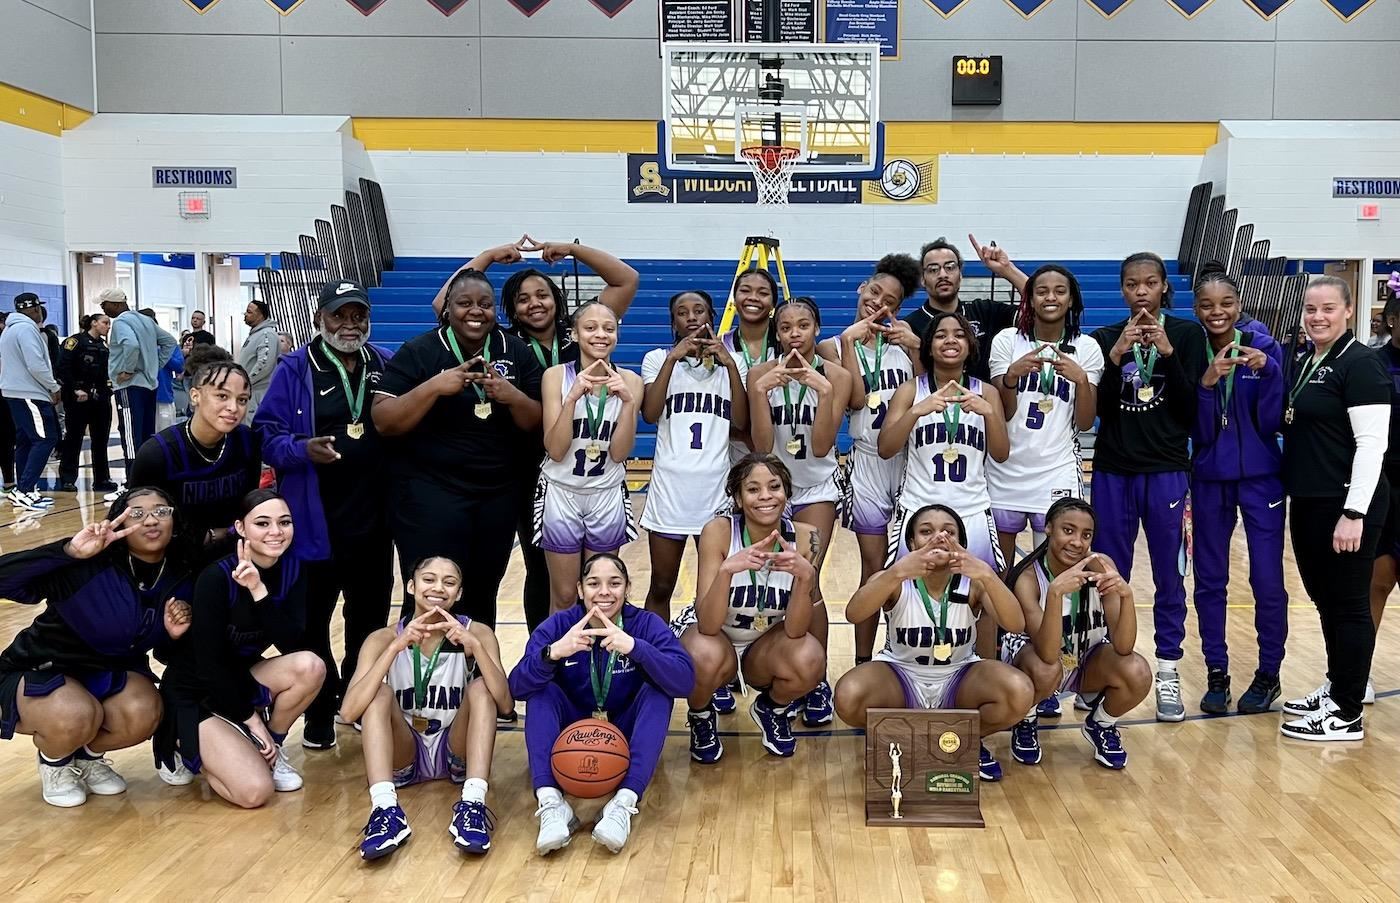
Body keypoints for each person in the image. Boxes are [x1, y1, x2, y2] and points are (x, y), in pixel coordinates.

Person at [434, 238, 639, 632]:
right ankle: (544, 648)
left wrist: (572, 250)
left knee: (593, 576)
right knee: (541, 570)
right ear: (511, 309)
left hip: (583, 461)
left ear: (558, 302)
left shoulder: (580, 336)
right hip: (525, 467)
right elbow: (445, 304)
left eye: (542, 295)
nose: (535, 304)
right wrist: (487, 257)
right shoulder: (505, 343)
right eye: (523, 299)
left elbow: (626, 279)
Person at [255, 279, 395, 750]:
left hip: (373, 521)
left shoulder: (384, 363)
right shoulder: (296, 368)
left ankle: (354, 697)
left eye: (358, 315)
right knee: (310, 623)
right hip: (314, 522)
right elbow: (266, 436)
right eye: (340, 315)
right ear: (320, 319)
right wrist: (301, 449)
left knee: (369, 622)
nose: (349, 325)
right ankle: (319, 706)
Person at [0, 487, 194, 807]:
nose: (151, 520)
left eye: (161, 511)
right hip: (41, 668)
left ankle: (87, 758)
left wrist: (173, 636)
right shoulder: (87, 565)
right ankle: (55, 761)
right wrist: (68, 551)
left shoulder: (182, 575)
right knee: (75, 714)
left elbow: (164, 653)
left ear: (174, 521)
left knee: (143, 712)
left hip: (108, 673)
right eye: (137, 513)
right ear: (120, 522)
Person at [372, 268, 543, 627]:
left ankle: (475, 663)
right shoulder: (420, 350)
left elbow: (537, 422)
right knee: (430, 593)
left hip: (496, 495)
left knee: (482, 591)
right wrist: (434, 387)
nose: (476, 311)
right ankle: (421, 663)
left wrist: (512, 396)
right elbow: (384, 420)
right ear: (447, 308)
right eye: (465, 303)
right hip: (430, 493)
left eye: (485, 304)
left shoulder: (515, 350)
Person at [1089, 252, 1208, 723]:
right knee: (1107, 575)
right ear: (1123, 289)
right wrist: (1117, 356)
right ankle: (1103, 666)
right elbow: (1098, 411)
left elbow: (1190, 410)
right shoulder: (1104, 338)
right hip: (1113, 470)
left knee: (1169, 575)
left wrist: (1169, 355)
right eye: (1132, 284)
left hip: (1166, 470)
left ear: (1163, 287)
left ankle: (1169, 668)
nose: (1141, 291)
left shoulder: (1186, 335)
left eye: (1150, 282)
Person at [510, 553, 694, 855]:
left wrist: (636, 648)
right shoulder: (560, 625)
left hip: (625, 725)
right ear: (580, 589)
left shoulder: (645, 624)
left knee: (658, 693)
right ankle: (551, 803)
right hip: (573, 728)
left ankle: (623, 803)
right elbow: (516, 687)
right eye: (594, 583)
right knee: (540, 692)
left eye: (615, 583)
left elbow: (684, 682)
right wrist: (552, 653)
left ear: (628, 588)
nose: (604, 592)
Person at [834, 504, 1032, 782]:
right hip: (901, 674)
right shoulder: (894, 578)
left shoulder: (974, 582)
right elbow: (854, 614)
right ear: (911, 543)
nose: (939, 537)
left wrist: (988, 574)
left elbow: (1016, 625)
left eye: (949, 532)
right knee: (848, 695)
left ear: (961, 545)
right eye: (926, 532)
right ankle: (909, 738)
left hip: (959, 675)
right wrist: (896, 572)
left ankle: (963, 739)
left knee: (1019, 691)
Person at [155, 489, 325, 807]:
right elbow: (209, 665)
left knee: (311, 666)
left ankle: (271, 747)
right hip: (196, 690)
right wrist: (252, 719)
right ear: (241, 527)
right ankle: (185, 744)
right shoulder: (215, 577)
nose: (275, 531)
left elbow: (292, 644)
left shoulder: (294, 569)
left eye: (284, 522)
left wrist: (258, 590)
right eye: (262, 523)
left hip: (240, 677)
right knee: (254, 793)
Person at [340, 556, 513, 859]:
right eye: (429, 579)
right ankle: (386, 810)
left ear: (459, 592)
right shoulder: (382, 638)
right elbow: (349, 712)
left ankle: (473, 803)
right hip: (405, 750)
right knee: (378, 693)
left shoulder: (477, 632)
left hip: (455, 748)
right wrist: (395, 647)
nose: (438, 588)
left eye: (449, 582)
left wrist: (476, 648)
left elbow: (506, 704)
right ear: (411, 586)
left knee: (481, 688)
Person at [1279, 277, 1389, 742]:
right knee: (1325, 601)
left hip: (1346, 506)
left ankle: (1347, 712)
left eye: (1328, 308)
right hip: (1310, 500)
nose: (1317, 317)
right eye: (1311, 309)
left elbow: (1372, 446)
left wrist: (1354, 513)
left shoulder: (1361, 364)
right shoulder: (1310, 359)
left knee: (1349, 605)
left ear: (1348, 311)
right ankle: (1337, 686)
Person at [675, 454, 824, 762]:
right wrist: (727, 571)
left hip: (765, 643)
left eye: (774, 486)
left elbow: (796, 630)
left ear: (786, 492)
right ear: (738, 498)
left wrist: (806, 578)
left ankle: (772, 709)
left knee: (809, 657)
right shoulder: (718, 531)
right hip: (717, 637)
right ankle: (701, 715)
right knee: (701, 654)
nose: (766, 496)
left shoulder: (808, 537)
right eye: (753, 489)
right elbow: (708, 625)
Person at [745, 297, 852, 724]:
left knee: (808, 581)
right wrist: (761, 391)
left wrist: (822, 391)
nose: (794, 334)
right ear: (777, 333)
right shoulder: (759, 374)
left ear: (816, 328)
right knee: (774, 580)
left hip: (817, 486)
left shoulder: (837, 376)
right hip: (772, 488)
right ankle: (783, 666)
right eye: (786, 327)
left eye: (803, 325)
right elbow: (762, 446)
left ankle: (817, 679)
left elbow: (823, 445)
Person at [1189, 263, 1289, 714]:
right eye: (1207, 305)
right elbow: (1198, 431)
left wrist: (1270, 374)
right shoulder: (1192, 349)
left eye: (1226, 303)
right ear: (1196, 309)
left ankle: (1269, 673)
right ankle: (1216, 671)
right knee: (1210, 579)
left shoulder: (1264, 347)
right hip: (1210, 478)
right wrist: (1207, 384)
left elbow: (1270, 422)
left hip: (1262, 477)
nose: (1217, 312)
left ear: (1239, 305)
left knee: (1266, 578)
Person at [819, 253, 921, 665]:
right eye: (874, 292)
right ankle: (864, 661)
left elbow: (928, 387)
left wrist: (916, 348)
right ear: (862, 288)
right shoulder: (831, 345)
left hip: (913, 461)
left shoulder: (905, 341)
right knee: (875, 566)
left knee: (912, 565)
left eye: (890, 302)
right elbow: (856, 401)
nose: (878, 304)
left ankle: (903, 653)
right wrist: (849, 343)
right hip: (867, 462)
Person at [1002, 498, 1151, 769]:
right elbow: (1048, 652)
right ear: (1048, 528)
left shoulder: (1100, 567)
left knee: (1137, 671)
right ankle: (1026, 718)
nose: (1077, 542)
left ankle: (1101, 724)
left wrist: (1126, 595)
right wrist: (1056, 593)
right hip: (1036, 665)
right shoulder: (1028, 578)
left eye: (1086, 535)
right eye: (1068, 530)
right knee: (1047, 668)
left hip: (1085, 657)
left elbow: (1123, 646)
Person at [987, 265, 1102, 573]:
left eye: (1059, 291)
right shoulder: (1007, 341)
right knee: (998, 571)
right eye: (1042, 291)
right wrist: (1011, 377)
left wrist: (1082, 381)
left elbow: (1086, 422)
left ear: (1071, 300)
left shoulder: (1087, 347)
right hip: (1004, 471)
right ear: (1029, 299)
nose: (1051, 297)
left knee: (1055, 570)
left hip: (1056, 470)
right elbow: (1003, 412)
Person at [639, 290, 747, 618]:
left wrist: (730, 364)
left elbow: (741, 422)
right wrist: (673, 359)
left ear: (711, 317)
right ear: (673, 322)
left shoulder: (734, 362)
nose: (691, 317)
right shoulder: (657, 359)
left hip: (715, 491)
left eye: (698, 310)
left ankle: (711, 648)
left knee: (715, 587)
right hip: (670, 491)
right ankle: (655, 648)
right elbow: (650, 413)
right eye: (682, 312)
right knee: (661, 585)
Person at [880, 310, 1010, 570]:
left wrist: (989, 413)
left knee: (980, 588)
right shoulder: (910, 390)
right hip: (918, 508)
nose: (950, 340)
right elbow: (885, 448)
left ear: (970, 345)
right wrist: (916, 411)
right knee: (908, 586)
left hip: (972, 508)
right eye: (941, 335)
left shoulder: (987, 393)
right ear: (928, 347)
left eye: (959, 335)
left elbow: (1001, 454)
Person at [538, 302, 643, 612]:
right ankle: (561, 646)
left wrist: (628, 404)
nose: (601, 335)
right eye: (590, 328)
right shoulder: (556, 376)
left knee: (601, 594)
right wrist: (571, 399)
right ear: (574, 334)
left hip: (606, 492)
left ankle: (600, 645)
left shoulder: (631, 382)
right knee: (564, 596)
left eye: (609, 329)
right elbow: (556, 450)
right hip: (562, 491)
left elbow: (620, 453)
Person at [130, 353, 261, 561]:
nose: (233, 408)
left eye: (242, 400)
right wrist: (210, 535)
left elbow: (250, 503)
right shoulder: (157, 453)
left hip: (235, 554)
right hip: (174, 559)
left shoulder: (247, 441)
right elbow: (140, 522)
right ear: (195, 396)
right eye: (222, 396)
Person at [897, 235, 1028, 382]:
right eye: (933, 269)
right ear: (923, 279)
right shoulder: (910, 327)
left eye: (950, 267)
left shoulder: (985, 311)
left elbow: (1036, 313)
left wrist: (1007, 270)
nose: (942, 275)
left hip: (986, 396)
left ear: (960, 275)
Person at [101, 288, 177, 497]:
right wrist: (154, 365)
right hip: (148, 386)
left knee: (130, 436)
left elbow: (131, 345)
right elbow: (170, 341)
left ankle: (131, 485)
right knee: (145, 436)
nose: (102, 308)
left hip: (129, 386)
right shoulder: (146, 320)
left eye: (104, 304)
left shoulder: (121, 322)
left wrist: (128, 369)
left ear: (116, 304)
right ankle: (145, 484)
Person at [1367, 284, 1400, 704]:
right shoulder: (1372, 364)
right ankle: (1360, 670)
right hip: (1383, 483)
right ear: (1392, 320)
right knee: (1377, 581)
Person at [0, 292, 62, 510]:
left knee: (26, 440)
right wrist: (53, 386)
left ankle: (24, 489)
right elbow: (35, 364)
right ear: (36, 309)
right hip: (30, 393)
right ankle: (24, 490)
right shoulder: (27, 329)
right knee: (46, 438)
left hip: (14, 392)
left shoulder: (9, 329)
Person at [722, 268, 781, 462]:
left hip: (784, 451)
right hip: (735, 458)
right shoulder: (720, 347)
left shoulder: (788, 345)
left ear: (773, 304)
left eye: (763, 293)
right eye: (745, 290)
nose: (753, 298)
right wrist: (743, 435)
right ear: (734, 298)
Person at [56, 314, 116, 493]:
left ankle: (102, 479)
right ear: (94, 323)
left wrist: (108, 390)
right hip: (78, 398)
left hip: (100, 398)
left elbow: (108, 372)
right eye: (105, 323)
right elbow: (63, 368)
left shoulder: (104, 346)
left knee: (101, 440)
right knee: (74, 439)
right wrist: (75, 388)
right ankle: (67, 479)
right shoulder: (75, 342)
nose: (108, 326)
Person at [141, 308, 185, 432]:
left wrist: (162, 351)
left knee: (165, 434)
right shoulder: (137, 344)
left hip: (163, 395)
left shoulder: (168, 343)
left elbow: (179, 366)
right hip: (142, 395)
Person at [237, 299, 280, 421]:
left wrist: (246, 382)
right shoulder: (256, 334)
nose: (245, 314)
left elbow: (264, 364)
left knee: (253, 427)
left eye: (249, 312)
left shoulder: (267, 335)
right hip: (251, 392)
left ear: (260, 315)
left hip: (258, 394)